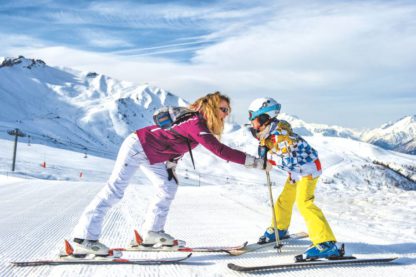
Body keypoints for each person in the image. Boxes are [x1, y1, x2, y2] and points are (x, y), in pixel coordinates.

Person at [70, 91, 270, 256]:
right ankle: (84, 238)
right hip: (138, 145)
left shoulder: (198, 123)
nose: (226, 114)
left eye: (228, 110)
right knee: (116, 189)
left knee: (168, 186)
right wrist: (256, 163)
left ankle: (152, 233)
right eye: (223, 109)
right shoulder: (196, 122)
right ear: (211, 106)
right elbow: (220, 151)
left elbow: (173, 141)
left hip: (153, 154)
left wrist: (171, 163)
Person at [248, 97, 340, 260]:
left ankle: (326, 243)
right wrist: (263, 149)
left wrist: (267, 160)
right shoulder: (268, 131)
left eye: (252, 118)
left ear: (264, 117)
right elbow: (268, 146)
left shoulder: (282, 137)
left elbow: (287, 159)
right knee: (284, 200)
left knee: (305, 204)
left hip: (308, 170)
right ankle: (279, 229)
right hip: (296, 172)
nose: (251, 122)